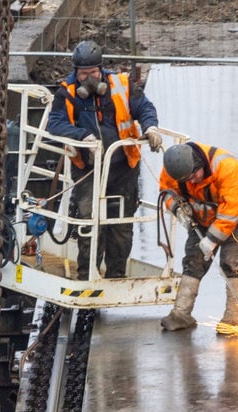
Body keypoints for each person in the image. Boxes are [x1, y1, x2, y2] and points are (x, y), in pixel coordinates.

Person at [47, 40, 162, 280]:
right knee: (90, 222)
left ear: (101, 69)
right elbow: (55, 123)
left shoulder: (121, 84)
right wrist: (82, 136)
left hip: (123, 167)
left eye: (92, 73)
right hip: (88, 169)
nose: (88, 79)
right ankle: (88, 275)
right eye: (83, 74)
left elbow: (144, 108)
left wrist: (151, 128)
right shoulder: (66, 92)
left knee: (121, 225)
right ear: (75, 73)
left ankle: (116, 277)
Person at [158, 141, 238, 333]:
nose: (192, 181)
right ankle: (180, 314)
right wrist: (178, 209)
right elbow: (166, 192)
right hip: (201, 212)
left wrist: (212, 239)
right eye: (188, 179)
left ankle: (234, 321)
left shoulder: (227, 168)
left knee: (232, 263)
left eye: (194, 176)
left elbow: (230, 213)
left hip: (237, 214)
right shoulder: (174, 168)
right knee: (193, 260)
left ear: (200, 164)